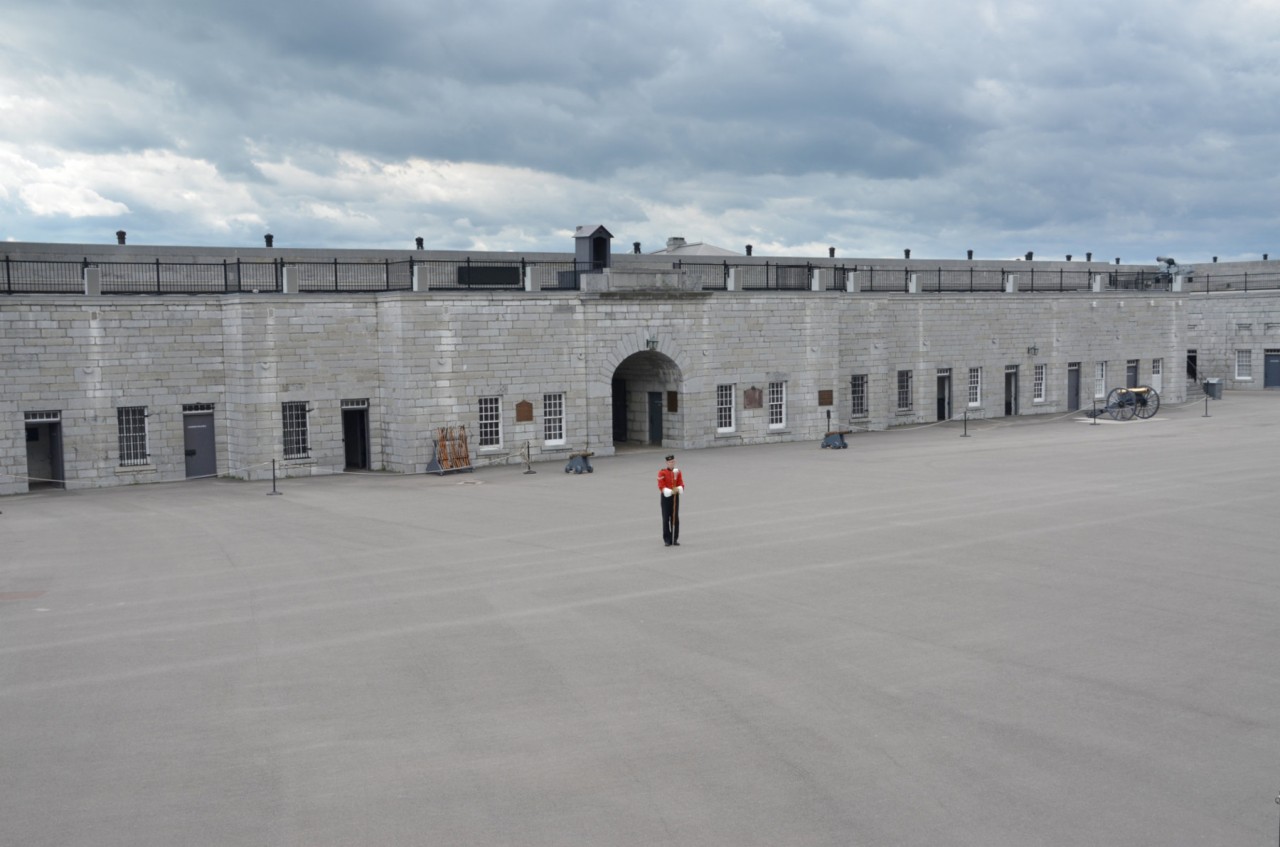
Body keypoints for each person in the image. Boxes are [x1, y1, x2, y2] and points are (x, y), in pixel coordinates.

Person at [657, 454, 685, 546]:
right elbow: (661, 485)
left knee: (675, 518)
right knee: (666, 519)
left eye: (673, 462)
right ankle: (667, 539)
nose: (671, 463)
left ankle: (674, 538)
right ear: (666, 463)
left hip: (675, 497)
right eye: (669, 462)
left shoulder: (678, 472)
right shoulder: (662, 472)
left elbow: (681, 483)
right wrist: (669, 491)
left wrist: (678, 488)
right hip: (666, 497)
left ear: (675, 462)